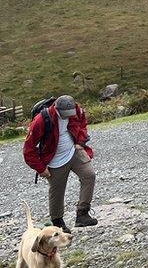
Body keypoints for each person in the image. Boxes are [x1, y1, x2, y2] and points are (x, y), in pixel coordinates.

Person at [23, 95, 97, 233]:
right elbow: (28, 149)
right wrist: (41, 168)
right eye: (64, 115)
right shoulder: (40, 120)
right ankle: (57, 223)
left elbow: (82, 125)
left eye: (70, 114)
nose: (68, 117)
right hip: (54, 159)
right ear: (56, 109)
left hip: (74, 151)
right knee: (57, 191)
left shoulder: (76, 110)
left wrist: (80, 142)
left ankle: (82, 214)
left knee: (89, 175)